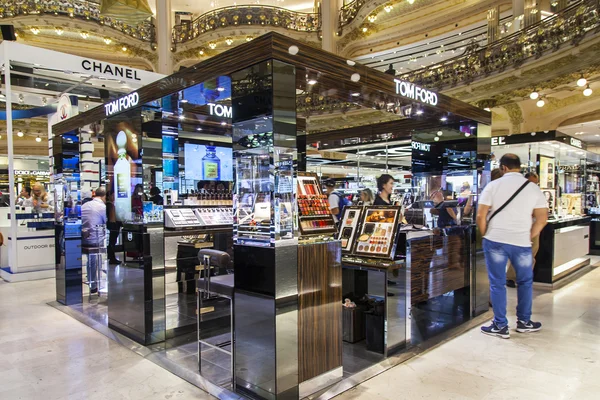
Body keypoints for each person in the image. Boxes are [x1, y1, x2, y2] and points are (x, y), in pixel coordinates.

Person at [476, 154, 548, 339]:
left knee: (497, 283)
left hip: (496, 240)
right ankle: (524, 322)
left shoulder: (492, 186)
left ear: (503, 168)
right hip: (522, 242)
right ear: (518, 167)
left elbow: (480, 215)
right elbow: (542, 219)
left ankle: (500, 325)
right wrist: (528, 235)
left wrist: (486, 235)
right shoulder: (533, 189)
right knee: (524, 282)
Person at [507, 171, 542, 287]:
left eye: (536, 183)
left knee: (532, 252)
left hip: (533, 226)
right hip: (521, 226)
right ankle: (512, 277)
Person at [81, 187, 107, 294]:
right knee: (95, 259)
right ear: (104, 196)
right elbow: (106, 222)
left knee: (91, 260)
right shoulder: (102, 207)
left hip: (83, 239)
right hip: (95, 239)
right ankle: (95, 283)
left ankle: (93, 283)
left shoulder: (85, 205)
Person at [105, 190, 122, 265]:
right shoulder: (109, 205)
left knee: (112, 241)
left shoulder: (111, 204)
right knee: (112, 241)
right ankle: (112, 258)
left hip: (114, 224)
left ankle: (111, 257)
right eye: (112, 195)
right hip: (113, 225)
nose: (114, 197)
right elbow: (112, 217)